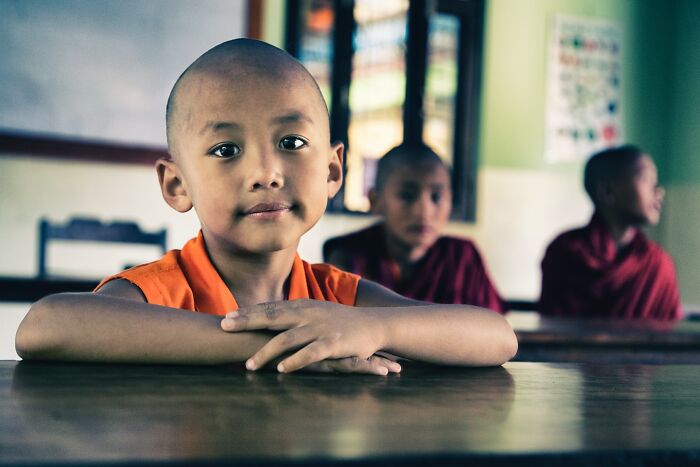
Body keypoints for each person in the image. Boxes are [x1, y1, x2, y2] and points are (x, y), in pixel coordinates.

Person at [15, 39, 517, 374]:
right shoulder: (163, 289)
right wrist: (274, 345)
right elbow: (46, 326)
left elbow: (497, 337)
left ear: (333, 172)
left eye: (293, 142)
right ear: (176, 185)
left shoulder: (333, 299)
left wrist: (373, 327)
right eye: (226, 150)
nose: (266, 173)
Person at [324, 143, 504, 312]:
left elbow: (492, 333)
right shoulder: (349, 254)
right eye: (407, 196)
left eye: (436, 197)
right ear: (376, 200)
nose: (423, 211)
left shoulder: (463, 257)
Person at [539, 145, 682, 320]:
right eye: (646, 179)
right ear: (607, 191)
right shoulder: (565, 252)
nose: (659, 190)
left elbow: (670, 335)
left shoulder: (658, 263)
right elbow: (552, 331)